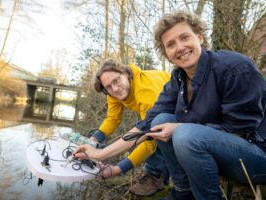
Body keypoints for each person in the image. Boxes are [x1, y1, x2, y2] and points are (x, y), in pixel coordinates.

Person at [74, 10, 266, 200]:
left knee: (185, 134)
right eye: (171, 44)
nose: (180, 47)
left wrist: (180, 128)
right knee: (161, 120)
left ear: (199, 37)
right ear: (166, 53)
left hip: (256, 156)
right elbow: (144, 127)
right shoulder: (178, 79)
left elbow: (240, 131)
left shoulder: (235, 67)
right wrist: (99, 154)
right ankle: (184, 191)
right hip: (214, 148)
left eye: (184, 37)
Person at [90, 58, 172, 196]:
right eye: (108, 87)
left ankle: (155, 176)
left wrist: (118, 169)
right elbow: (113, 118)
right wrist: (93, 140)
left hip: (188, 110)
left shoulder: (145, 91)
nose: (115, 88)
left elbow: (149, 141)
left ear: (125, 73)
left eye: (116, 80)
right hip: (161, 113)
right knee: (150, 126)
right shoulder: (112, 92)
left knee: (156, 131)